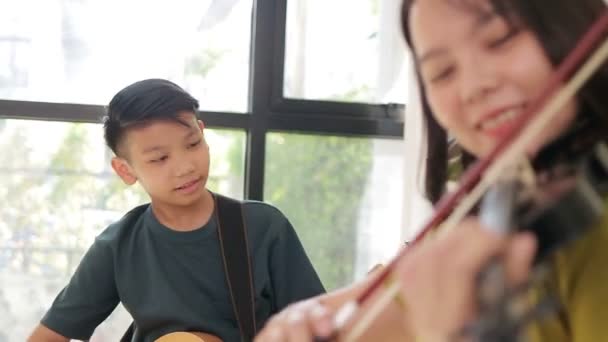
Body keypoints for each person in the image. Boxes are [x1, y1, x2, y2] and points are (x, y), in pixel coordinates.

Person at [253, 0, 608, 340]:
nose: (473, 87)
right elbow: (386, 307)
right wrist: (298, 317)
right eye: (442, 72)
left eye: (501, 39)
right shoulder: (505, 205)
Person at [27, 79, 325, 342]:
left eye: (193, 143)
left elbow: (321, 327)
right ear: (125, 169)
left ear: (203, 133)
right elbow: (49, 335)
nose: (185, 167)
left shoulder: (262, 227)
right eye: (160, 159)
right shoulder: (118, 246)